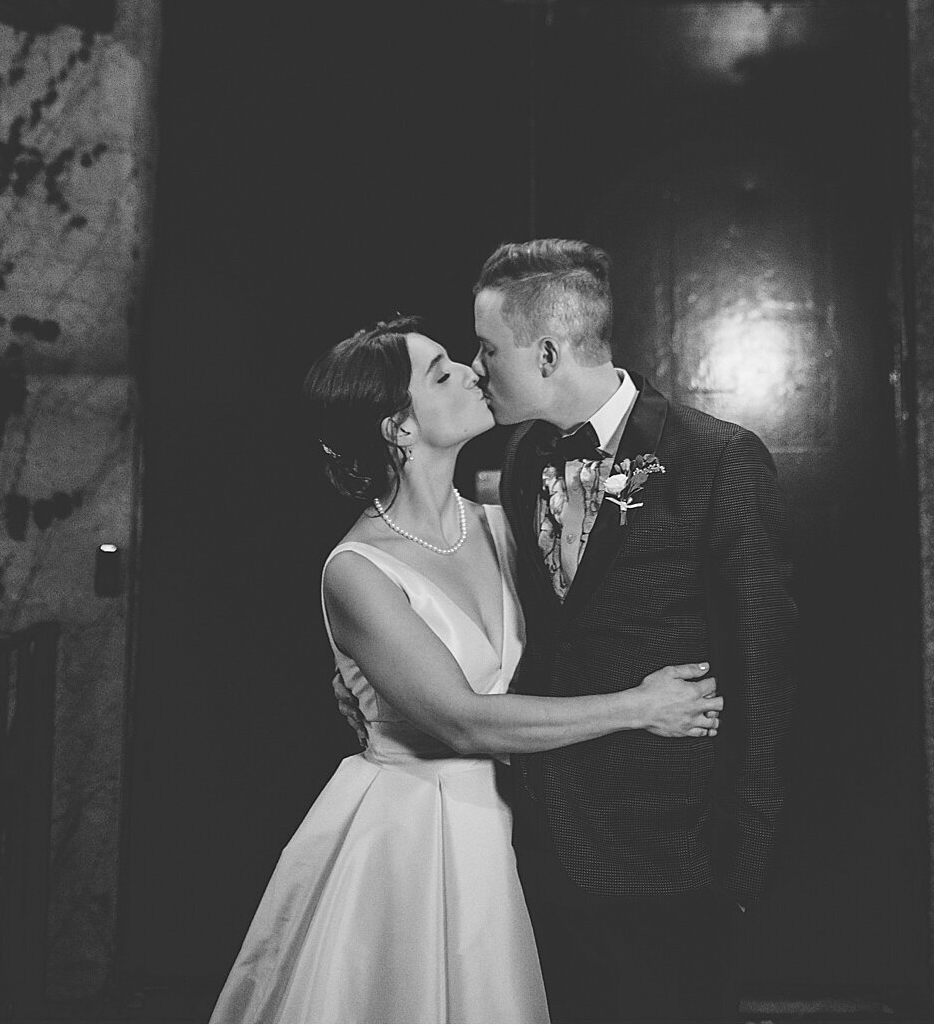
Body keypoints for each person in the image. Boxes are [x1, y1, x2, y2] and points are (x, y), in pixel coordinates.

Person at [211, 315, 722, 1024]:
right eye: (441, 372)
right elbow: (461, 720)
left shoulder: (500, 522)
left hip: (522, 824)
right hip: (413, 838)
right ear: (399, 427)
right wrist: (639, 706)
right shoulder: (356, 569)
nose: (471, 371)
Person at [471, 238, 797, 1024]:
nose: (477, 367)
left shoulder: (718, 458)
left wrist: (742, 870)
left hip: (674, 858)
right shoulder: (521, 456)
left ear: (547, 353)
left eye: (488, 348)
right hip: (543, 841)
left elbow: (766, 667)